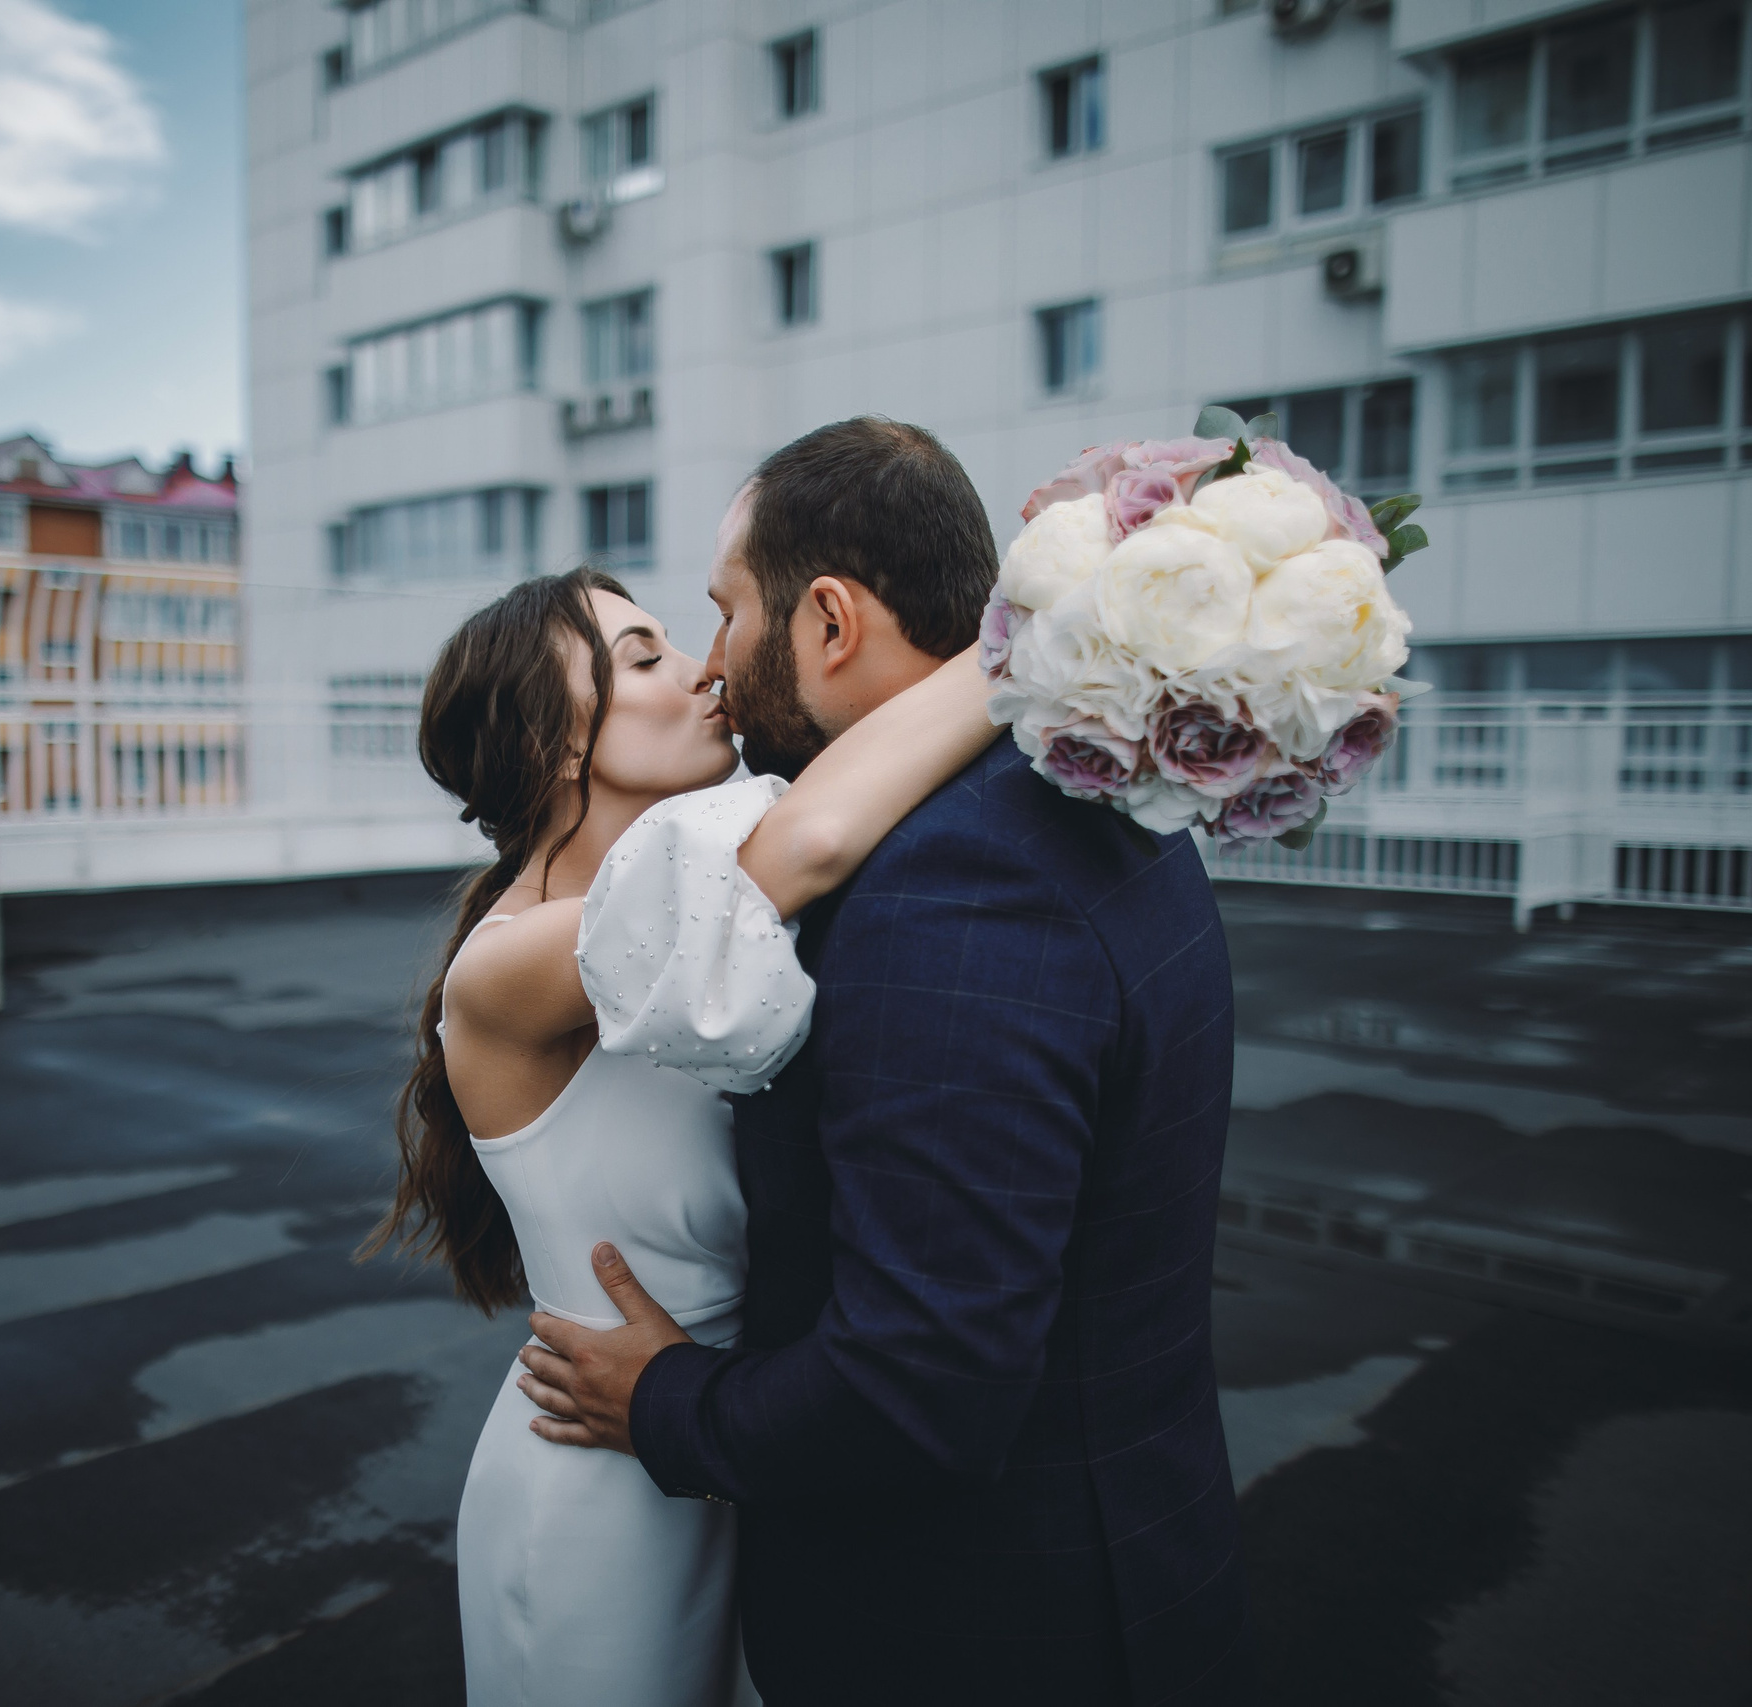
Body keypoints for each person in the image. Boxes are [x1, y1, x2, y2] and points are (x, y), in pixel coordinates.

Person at [517, 418, 1249, 1704]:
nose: (713, 666)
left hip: (983, 1631)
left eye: (725, 613)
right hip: (1116, 1561)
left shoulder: (950, 890)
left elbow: (921, 1382)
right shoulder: (1085, 796)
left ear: (832, 624)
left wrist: (667, 1405)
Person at [370, 550, 1000, 1705]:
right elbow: (811, 841)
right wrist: (1050, 636)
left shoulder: (699, 908)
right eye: (643, 656)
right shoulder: (507, 968)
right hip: (598, 1485)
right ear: (556, 741)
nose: (705, 672)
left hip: (722, 1445)